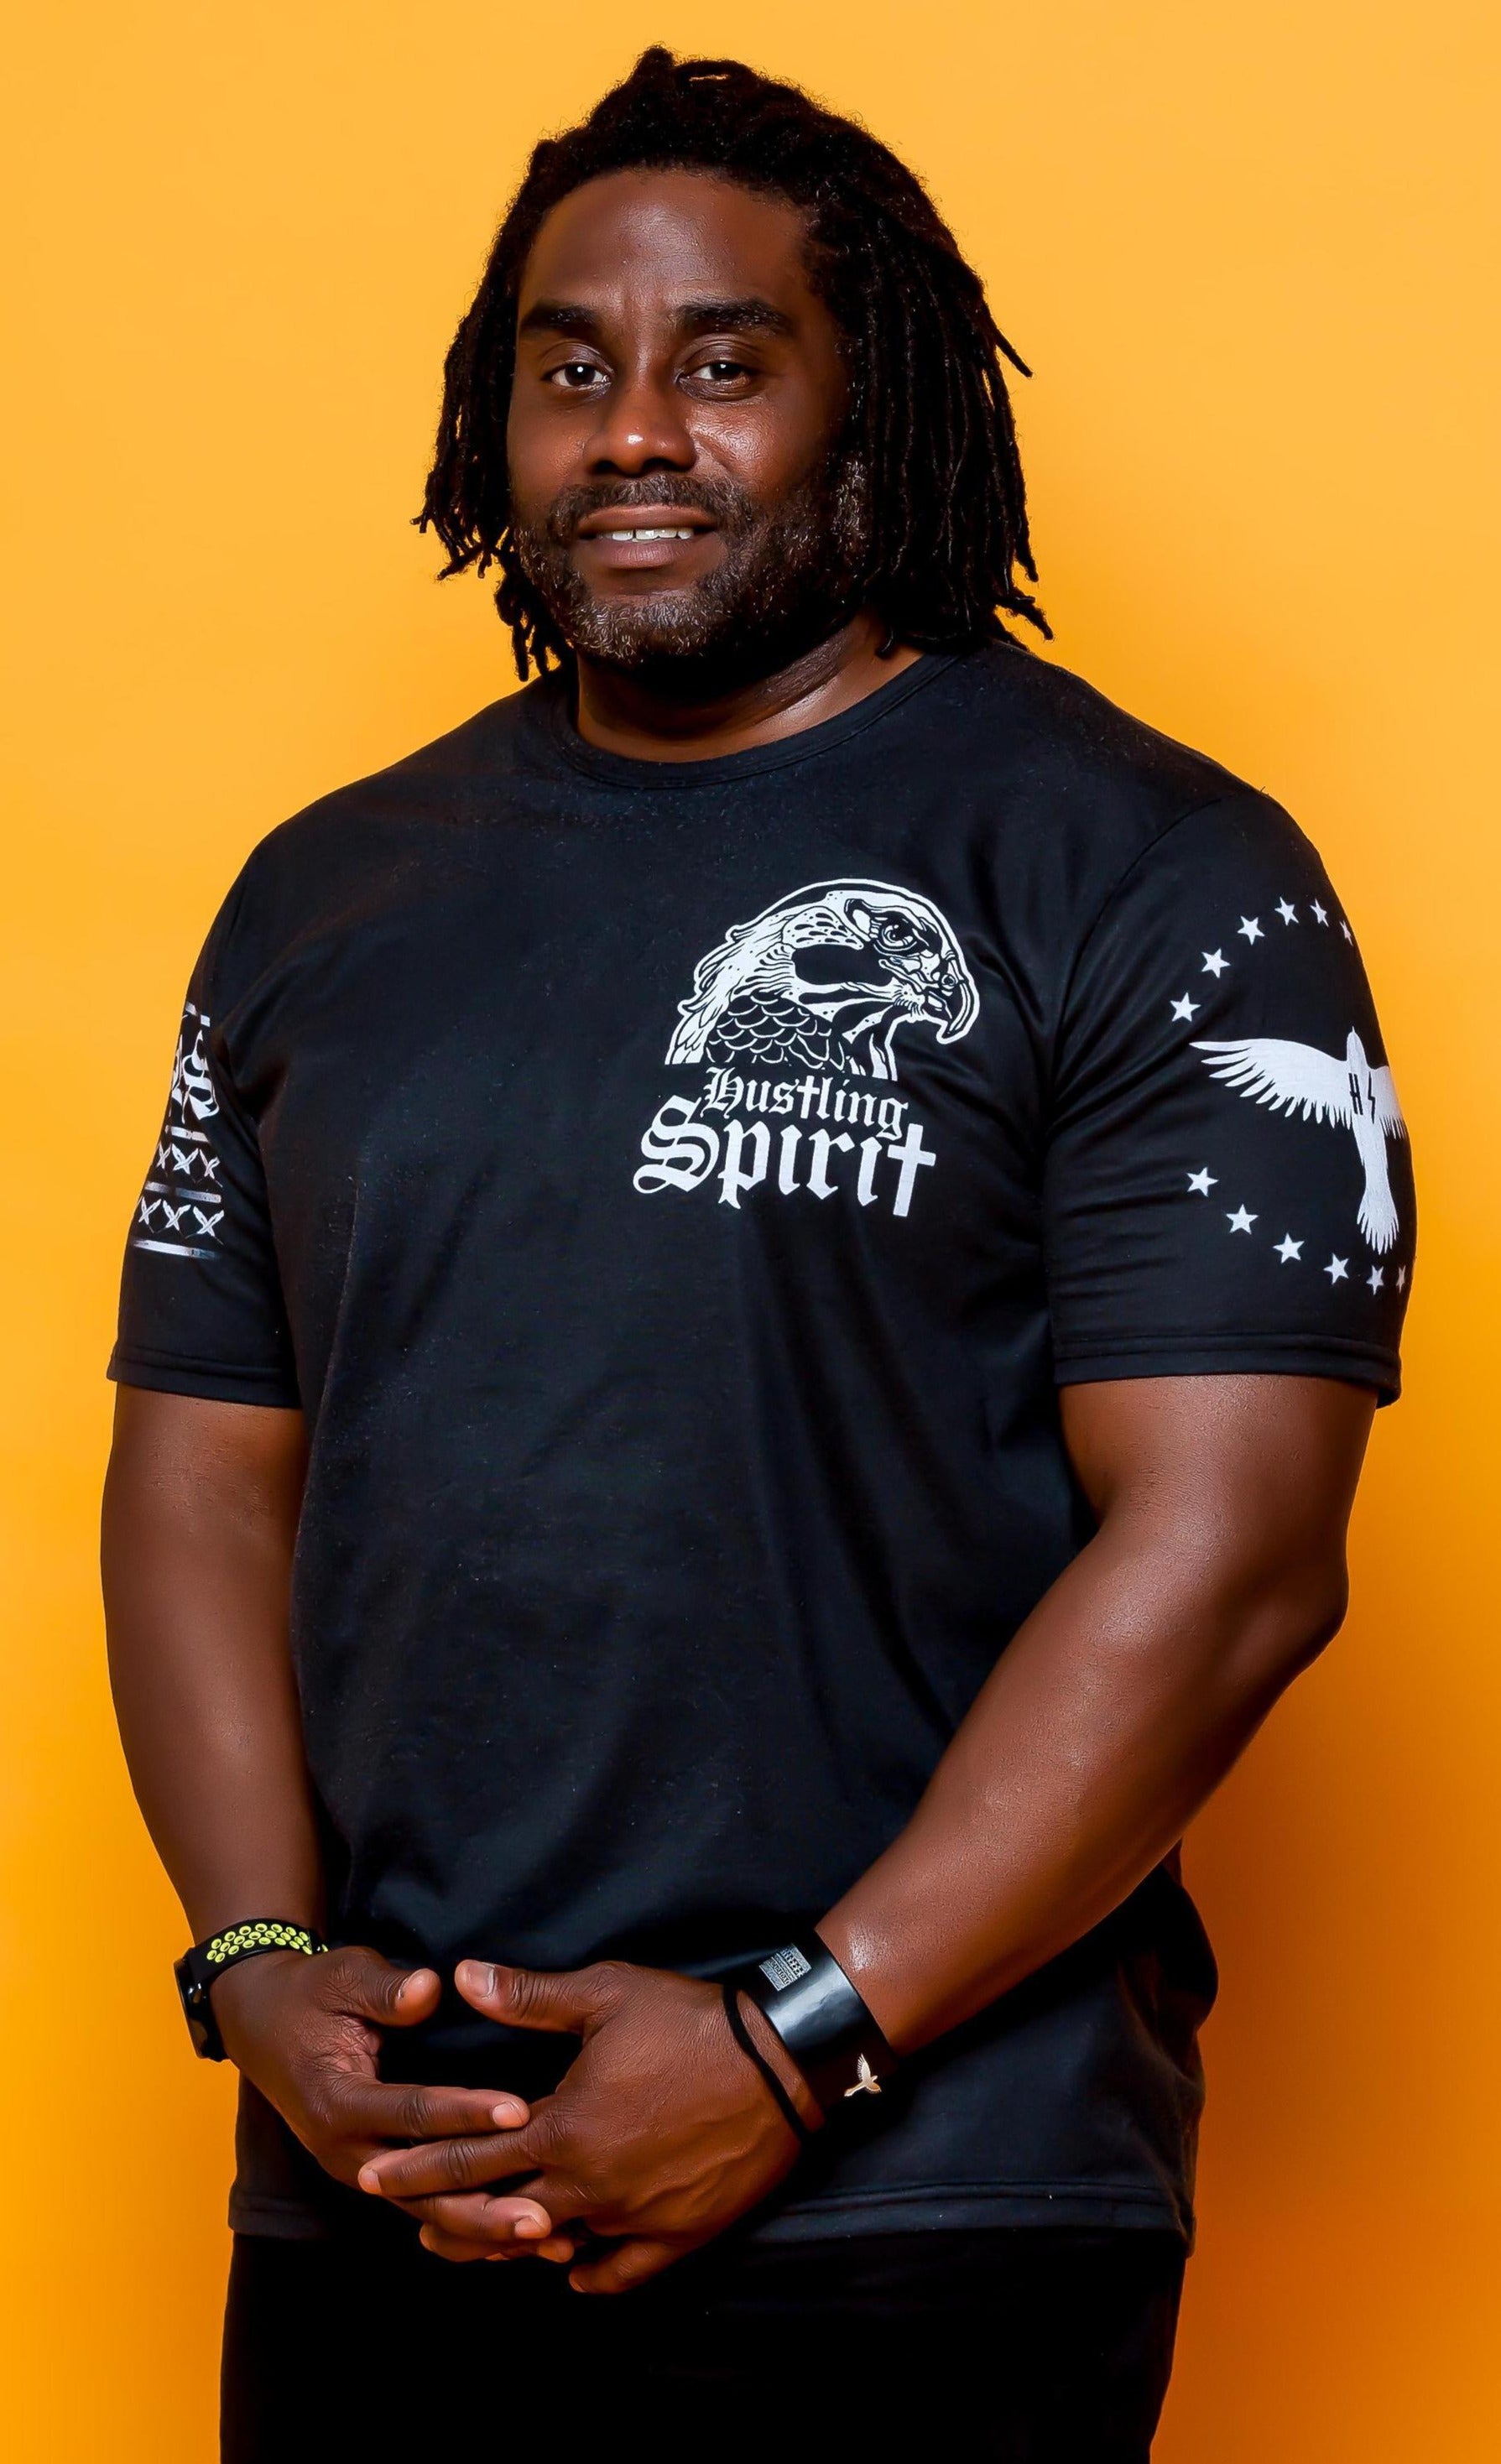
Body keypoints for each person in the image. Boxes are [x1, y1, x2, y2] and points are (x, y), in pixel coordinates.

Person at [102, 48, 1413, 2462]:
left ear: (871, 407)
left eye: (723, 363)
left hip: (933, 2200)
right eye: (568, 368)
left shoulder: (1150, 867)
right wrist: (261, 1969)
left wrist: (802, 2033)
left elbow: (1233, 1555)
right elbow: (200, 1476)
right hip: (386, 2194)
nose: (633, 433)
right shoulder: (324, 895)